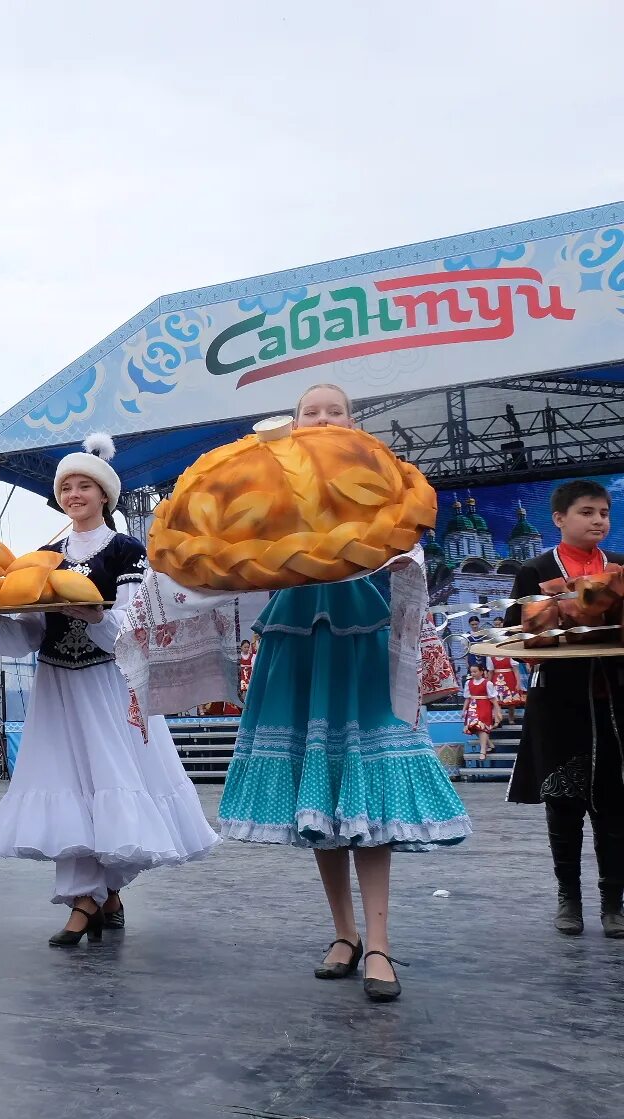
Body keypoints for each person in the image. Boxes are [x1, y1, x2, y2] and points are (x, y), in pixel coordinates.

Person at [215, 384, 470, 1001]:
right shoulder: (270, 484)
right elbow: (241, 552)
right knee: (317, 791)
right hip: (297, 631)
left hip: (361, 631)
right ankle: (343, 933)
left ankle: (379, 942)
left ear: (353, 423)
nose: (324, 418)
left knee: (366, 797)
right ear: (295, 424)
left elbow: (406, 546)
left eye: (336, 410)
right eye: (312, 412)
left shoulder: (378, 476)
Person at [0, 436, 219, 943]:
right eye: (65, 486)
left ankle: (90, 900)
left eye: (84, 485)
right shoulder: (42, 557)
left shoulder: (126, 550)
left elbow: (136, 628)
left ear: (104, 494)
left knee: (107, 780)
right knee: (70, 785)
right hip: (57, 686)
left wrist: (93, 616)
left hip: (108, 683)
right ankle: (95, 897)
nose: (73, 493)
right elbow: (26, 635)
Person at [504, 478, 623, 937]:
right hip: (559, 701)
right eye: (587, 512)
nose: (598, 521)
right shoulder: (534, 570)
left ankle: (614, 902)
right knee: (564, 803)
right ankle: (568, 899)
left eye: (604, 513)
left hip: (614, 701)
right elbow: (517, 636)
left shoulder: (620, 566)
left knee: (616, 807)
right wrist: (550, 626)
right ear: (559, 518)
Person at [463, 657, 496, 763]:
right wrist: (464, 710)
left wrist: (496, 710)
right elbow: (467, 698)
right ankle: (489, 744)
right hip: (472, 707)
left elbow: (493, 698)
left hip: (484, 706)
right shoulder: (468, 683)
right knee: (474, 727)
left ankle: (483, 750)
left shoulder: (488, 683)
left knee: (482, 727)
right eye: (471, 672)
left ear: (482, 672)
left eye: (475, 671)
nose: (473, 674)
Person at [491, 655, 526, 726]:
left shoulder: (510, 657)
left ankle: (511, 718)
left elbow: (516, 671)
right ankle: (497, 720)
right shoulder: (491, 657)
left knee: (511, 701)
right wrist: (489, 682)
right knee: (497, 700)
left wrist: (518, 683)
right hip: (497, 680)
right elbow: (490, 671)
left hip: (510, 679)